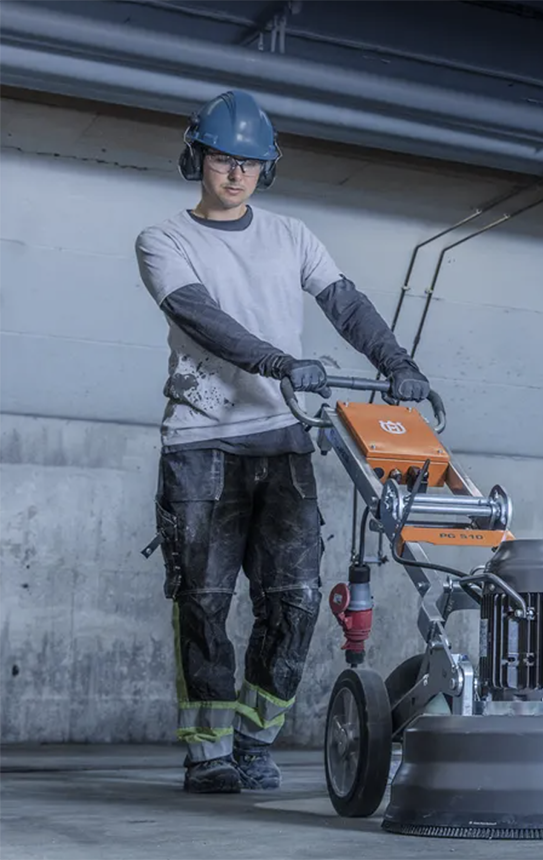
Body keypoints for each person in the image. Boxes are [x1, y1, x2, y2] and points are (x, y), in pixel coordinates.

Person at [135, 90, 430, 794]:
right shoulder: (165, 240)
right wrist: (276, 361)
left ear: (267, 169)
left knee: (293, 597)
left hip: (285, 443)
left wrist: (398, 363)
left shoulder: (292, 236)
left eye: (249, 163)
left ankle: (252, 739)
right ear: (196, 158)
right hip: (201, 444)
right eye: (221, 159)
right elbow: (198, 316)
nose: (234, 174)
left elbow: (345, 303)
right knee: (204, 598)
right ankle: (206, 753)